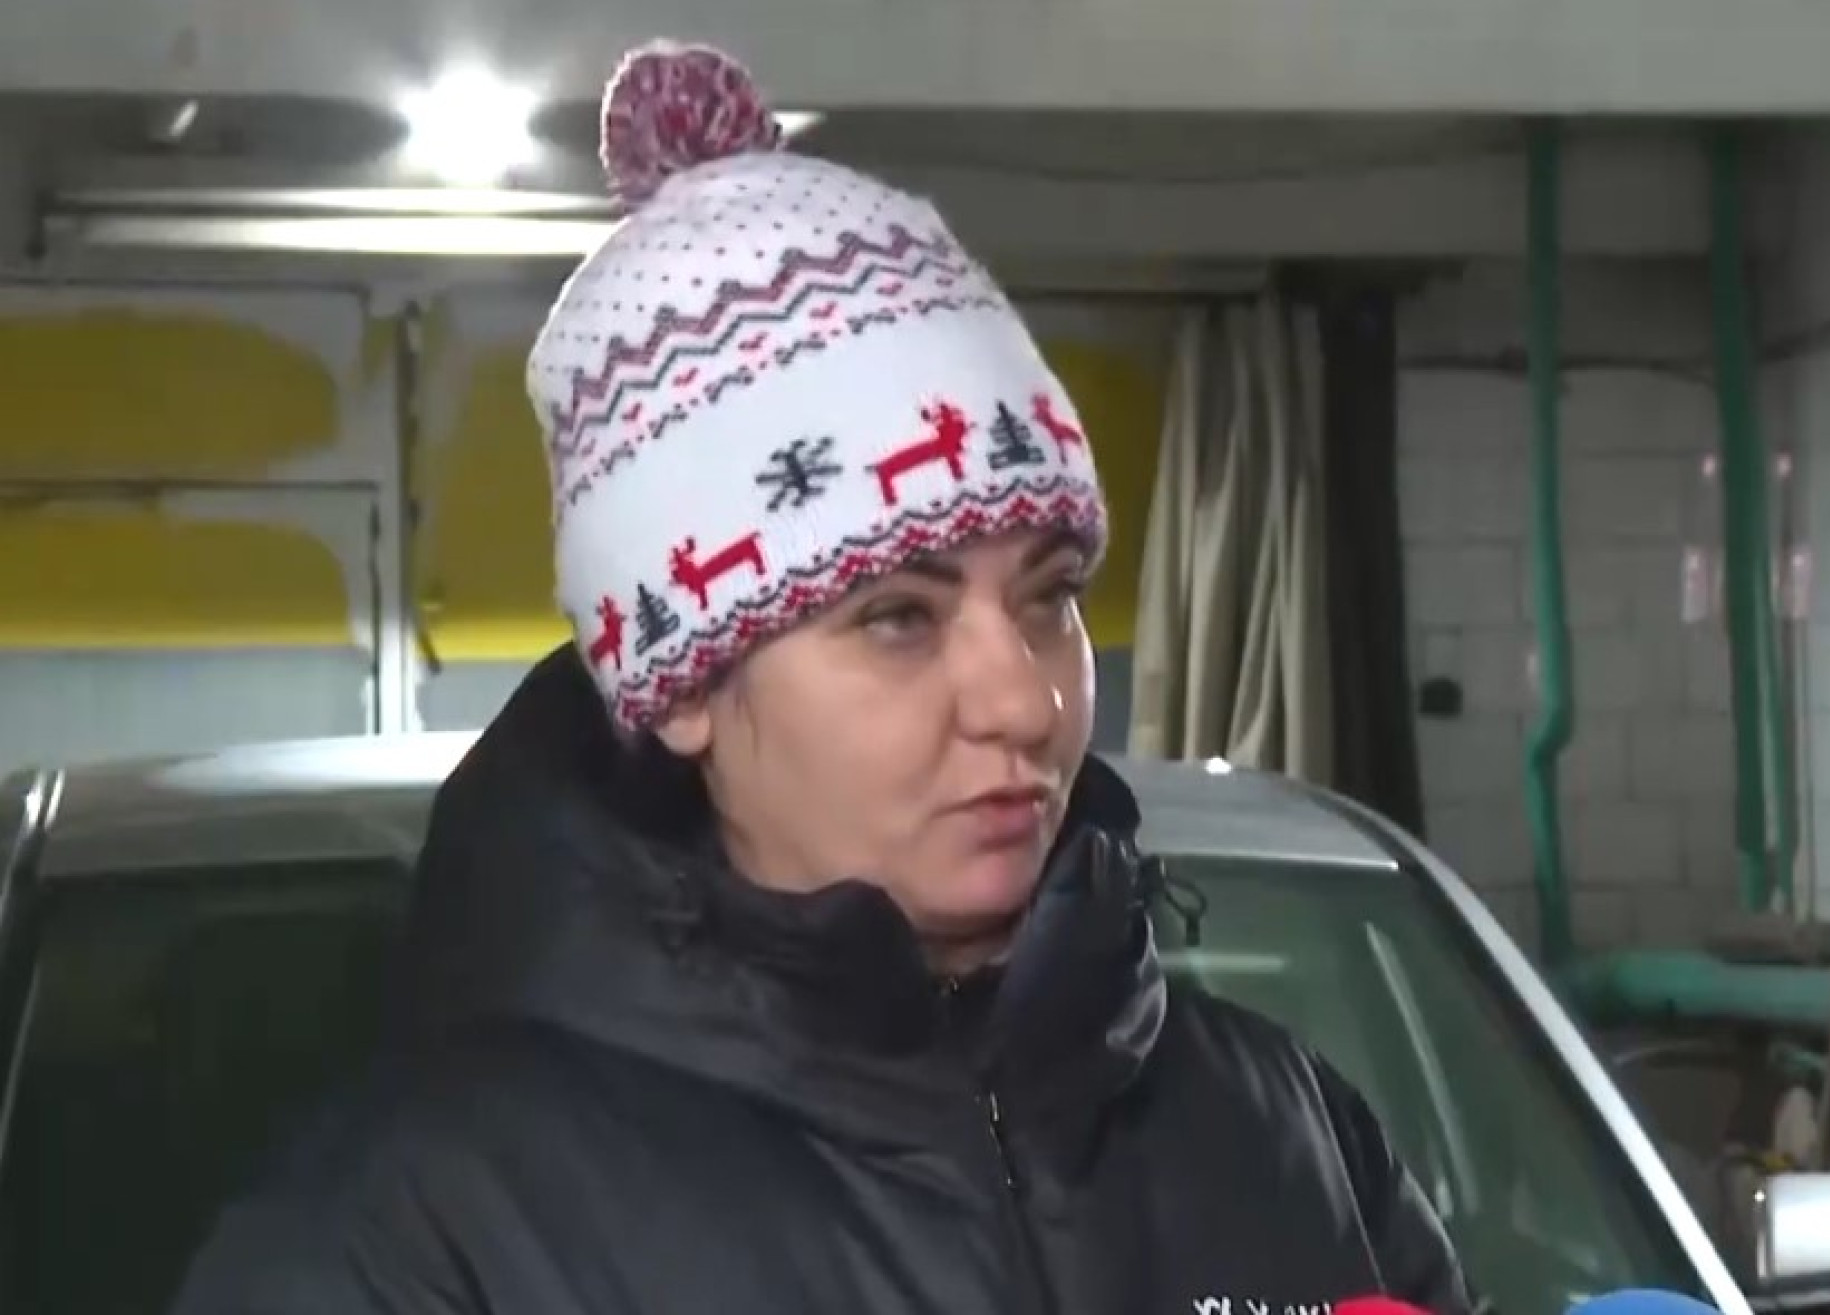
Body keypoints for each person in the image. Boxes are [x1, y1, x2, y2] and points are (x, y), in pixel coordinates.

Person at [171, 38, 1472, 1315]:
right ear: (684, 690)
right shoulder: (412, 1240)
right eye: (898, 618)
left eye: (1049, 597)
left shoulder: (1288, 1135)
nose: (1023, 703)